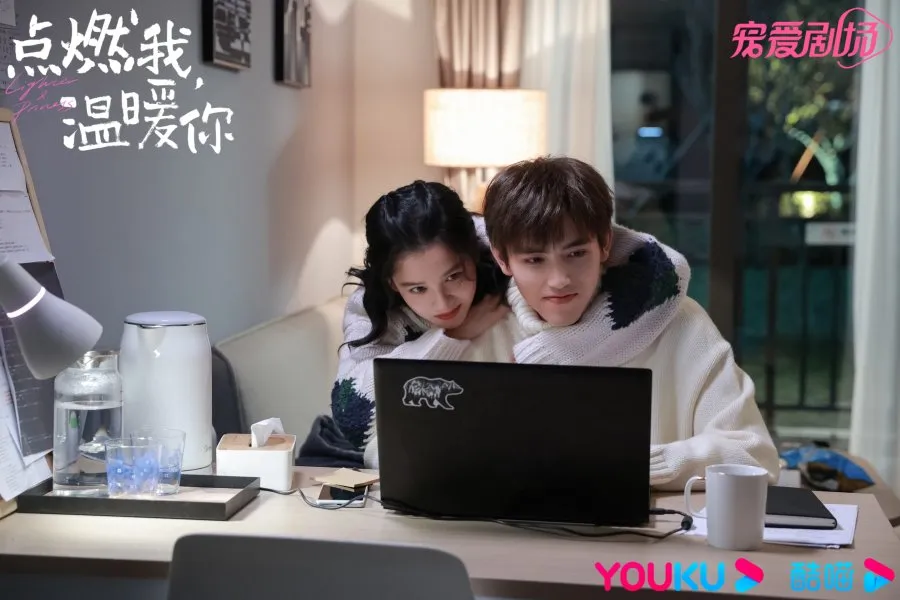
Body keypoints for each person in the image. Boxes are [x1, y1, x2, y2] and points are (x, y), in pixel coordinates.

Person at [478, 156, 780, 490]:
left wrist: (633, 465)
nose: (559, 279)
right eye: (535, 260)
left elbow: (754, 457)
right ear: (502, 258)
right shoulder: (484, 326)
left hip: (649, 522)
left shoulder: (679, 321)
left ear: (605, 243)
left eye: (576, 254)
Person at [329, 180, 520, 467]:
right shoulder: (370, 306)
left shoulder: (506, 253)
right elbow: (351, 417)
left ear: (473, 254)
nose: (442, 304)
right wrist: (450, 336)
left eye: (453, 276)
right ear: (393, 283)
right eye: (418, 289)